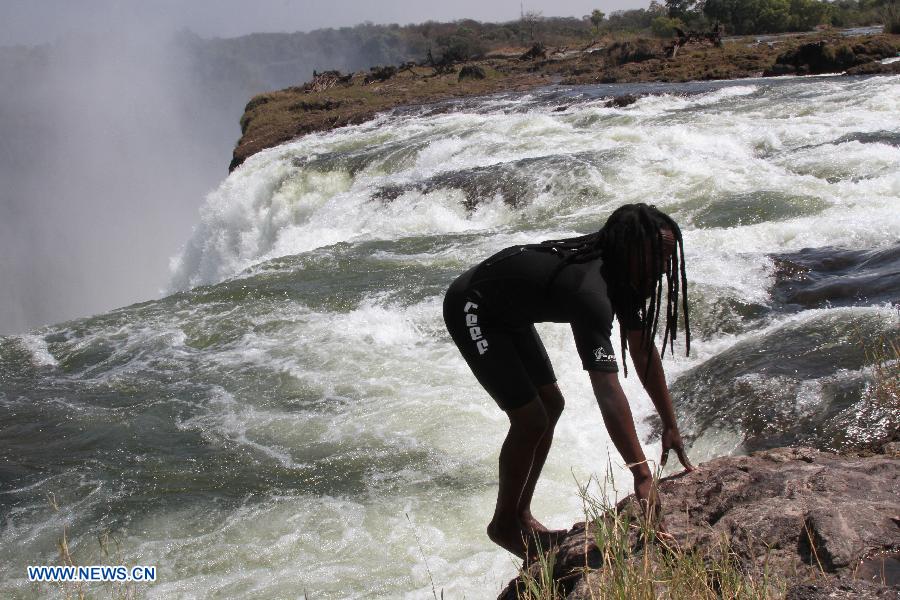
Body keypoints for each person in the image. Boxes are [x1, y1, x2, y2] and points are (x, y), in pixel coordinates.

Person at [442, 203, 695, 559]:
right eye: (658, 257)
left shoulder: (627, 275)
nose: (665, 267)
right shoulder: (590, 293)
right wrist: (641, 473)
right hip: (473, 306)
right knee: (531, 419)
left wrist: (670, 424)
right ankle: (504, 525)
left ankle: (520, 516)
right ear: (631, 250)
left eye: (669, 258)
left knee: (551, 406)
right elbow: (607, 390)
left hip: (508, 310)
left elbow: (643, 354)